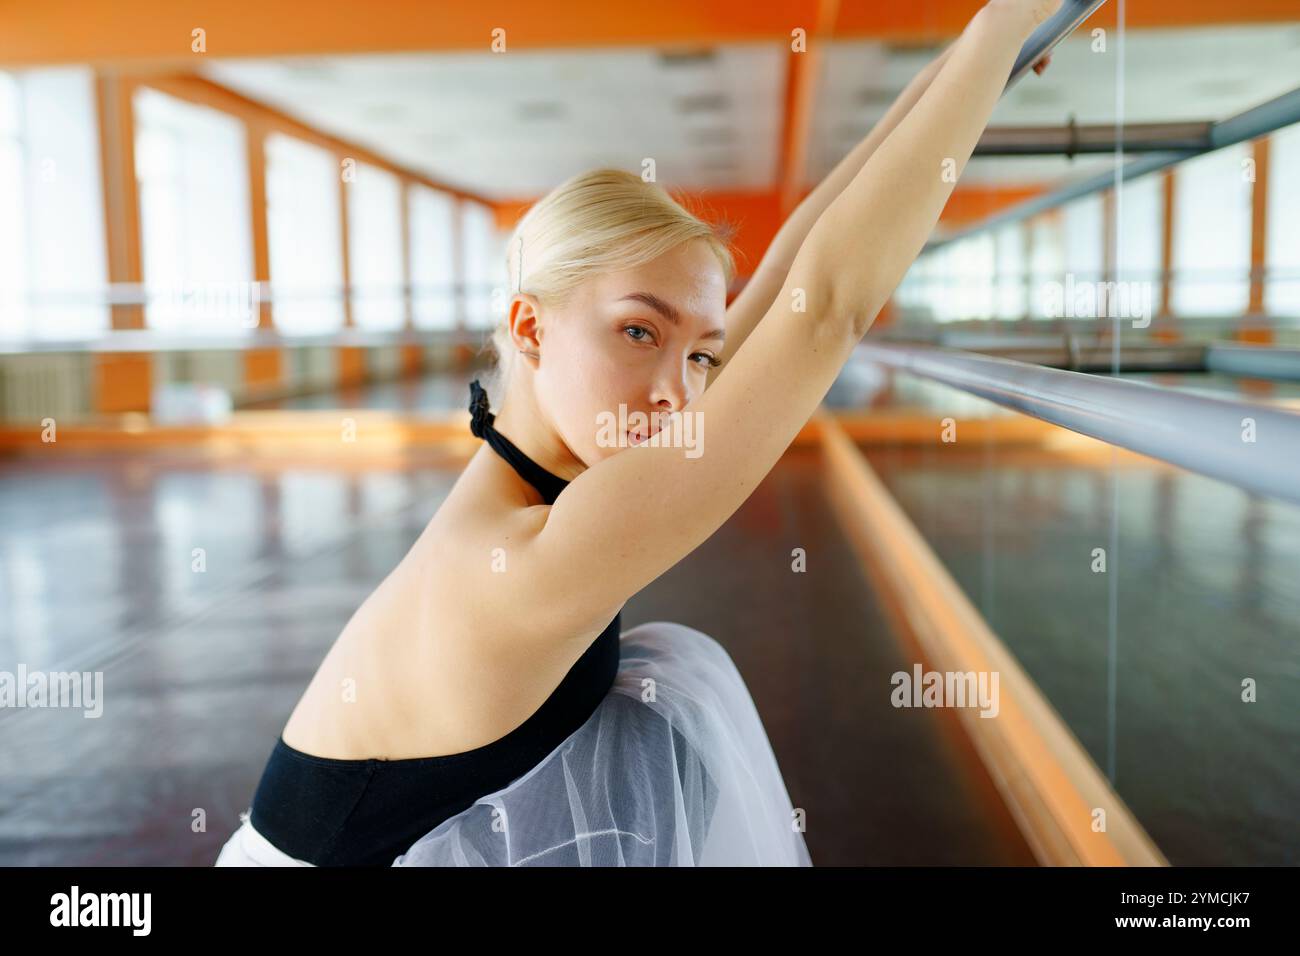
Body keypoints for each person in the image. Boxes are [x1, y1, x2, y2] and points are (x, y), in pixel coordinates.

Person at [215, 0, 1059, 867]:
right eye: (637, 331)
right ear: (531, 328)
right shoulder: (531, 553)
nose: (677, 395)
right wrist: (997, 29)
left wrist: (970, 65)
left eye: (700, 356)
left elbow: (792, 274)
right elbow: (828, 310)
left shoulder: (538, 482)